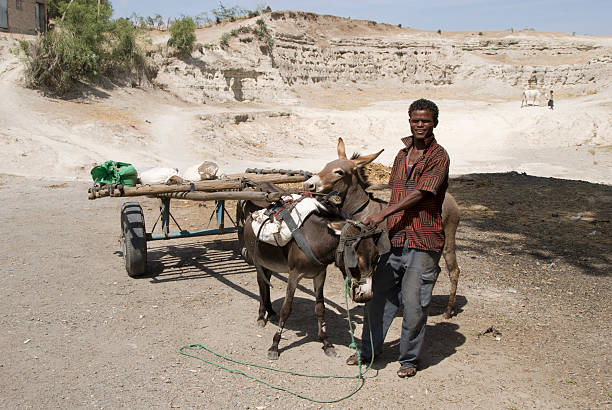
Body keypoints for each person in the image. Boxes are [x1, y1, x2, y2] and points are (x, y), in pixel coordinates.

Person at [346, 98, 450, 378]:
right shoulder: (400, 156)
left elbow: (420, 194)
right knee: (378, 296)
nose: (420, 125)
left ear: (434, 123)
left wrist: (382, 215)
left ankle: (408, 360)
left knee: (414, 303)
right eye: (415, 120)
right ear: (409, 121)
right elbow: (396, 193)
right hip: (394, 238)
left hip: (423, 240)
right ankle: (368, 350)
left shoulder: (439, 156)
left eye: (425, 121)